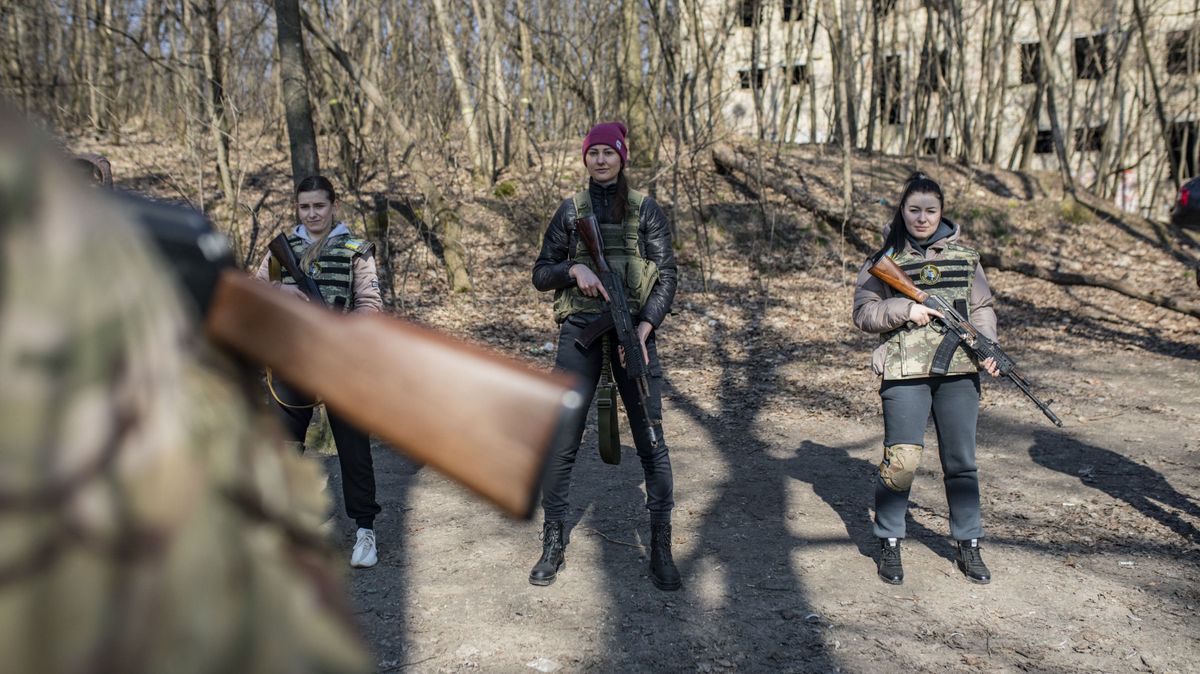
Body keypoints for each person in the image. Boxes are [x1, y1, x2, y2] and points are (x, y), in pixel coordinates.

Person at [0, 116, 370, 673]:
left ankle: (359, 528)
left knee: (349, 452)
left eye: (94, 180)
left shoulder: (145, 238)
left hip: (323, 362)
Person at [530, 122, 680, 590]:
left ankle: (660, 545)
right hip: (580, 333)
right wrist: (573, 268)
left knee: (651, 437)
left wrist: (642, 327)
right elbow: (540, 273)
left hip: (633, 331)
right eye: (592, 153)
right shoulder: (570, 211)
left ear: (622, 157)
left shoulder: (645, 210)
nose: (599, 160)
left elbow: (667, 275)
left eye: (607, 153)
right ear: (584, 158)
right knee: (562, 438)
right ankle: (552, 540)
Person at [852, 172, 1001, 586]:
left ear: (942, 213)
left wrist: (987, 346)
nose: (922, 218)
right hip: (904, 371)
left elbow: (983, 306)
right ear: (902, 210)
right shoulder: (884, 259)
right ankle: (890, 541)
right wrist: (904, 309)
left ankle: (968, 543)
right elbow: (864, 313)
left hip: (958, 371)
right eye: (914, 209)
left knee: (961, 462)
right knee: (901, 459)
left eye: (930, 211)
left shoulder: (966, 257)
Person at [255, 175, 384, 568]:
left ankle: (365, 532)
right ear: (297, 208)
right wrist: (280, 291)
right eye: (304, 206)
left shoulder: (355, 249)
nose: (312, 214)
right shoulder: (281, 251)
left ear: (334, 207)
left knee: (354, 451)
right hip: (293, 360)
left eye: (319, 206)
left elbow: (370, 303)